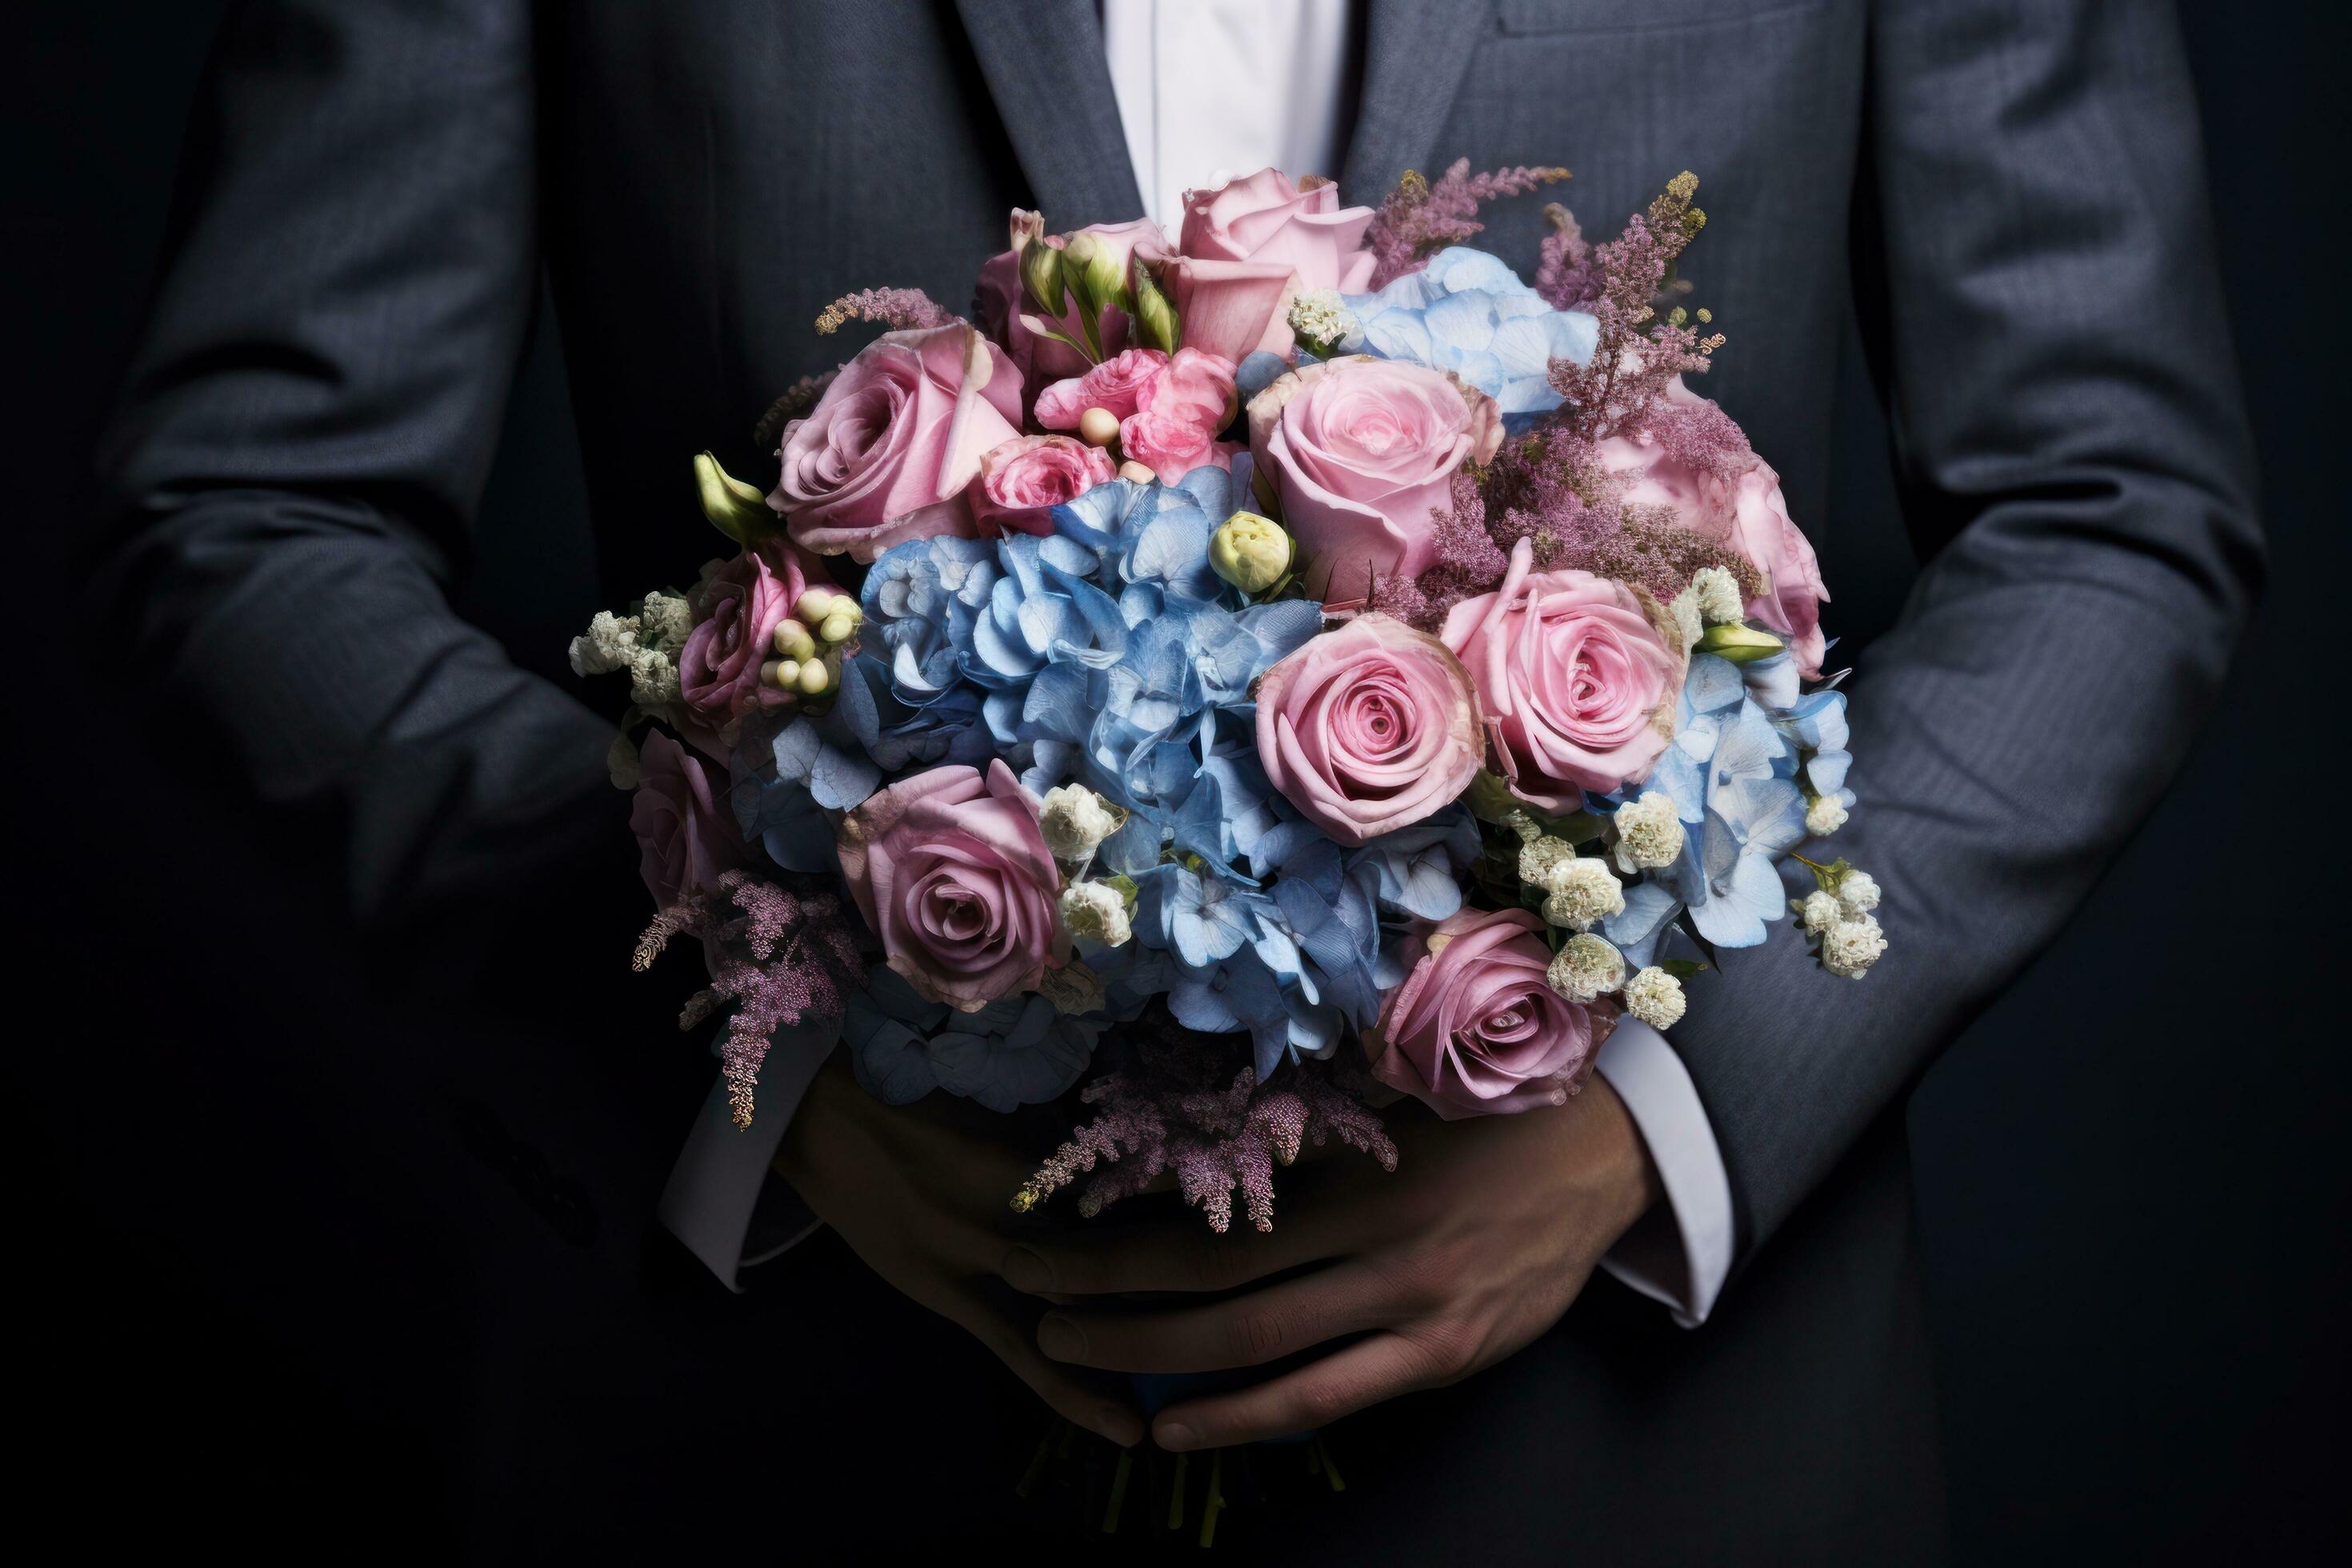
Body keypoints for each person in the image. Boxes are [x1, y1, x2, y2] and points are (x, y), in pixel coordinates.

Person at [86, 0, 2260, 1557]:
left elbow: (2106, 506)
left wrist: (1663, 1115)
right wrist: (743, 1065)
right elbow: (247, 510)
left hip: (1629, 1448)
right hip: (802, 1421)